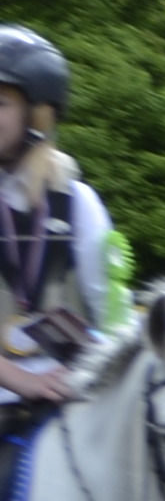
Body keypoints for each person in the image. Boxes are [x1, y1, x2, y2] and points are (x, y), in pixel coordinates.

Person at [0, 26, 125, 407]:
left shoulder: (78, 202)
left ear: (38, 113)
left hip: (66, 398)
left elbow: (113, 317)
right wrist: (20, 380)